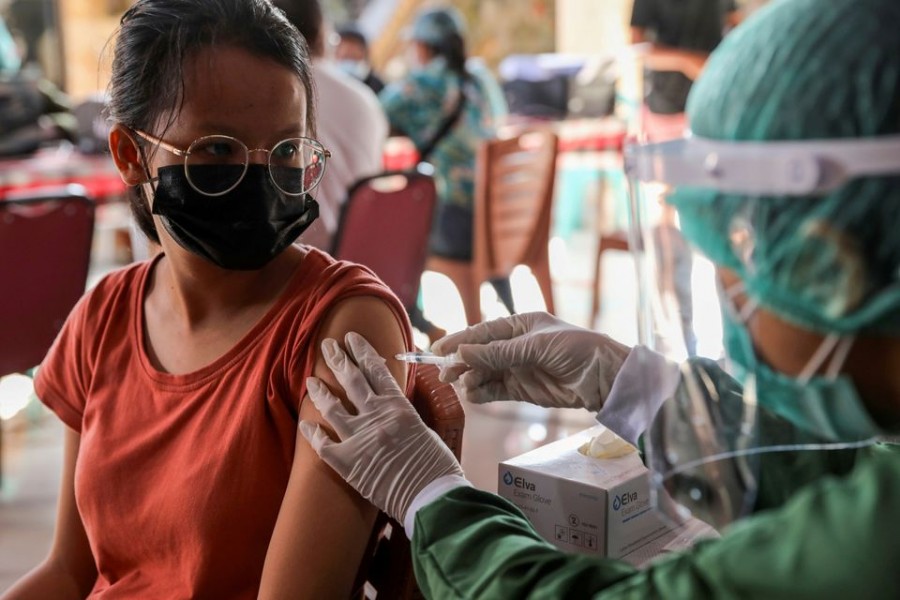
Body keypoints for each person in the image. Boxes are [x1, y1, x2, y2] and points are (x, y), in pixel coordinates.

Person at [297, 0, 900, 596]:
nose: (730, 294)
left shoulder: (873, 548)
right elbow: (846, 473)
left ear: (829, 269)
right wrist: (632, 387)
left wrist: (431, 497)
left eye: (737, 259)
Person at [2, 0, 412, 598]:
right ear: (129, 155)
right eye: (217, 151)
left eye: (284, 152)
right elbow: (71, 570)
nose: (256, 180)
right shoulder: (103, 317)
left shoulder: (341, 329)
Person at [379, 6, 513, 338]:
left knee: (387, 233)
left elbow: (373, 114)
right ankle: (424, 323)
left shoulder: (425, 81)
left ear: (423, 47)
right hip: (499, 222)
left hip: (459, 225)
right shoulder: (481, 78)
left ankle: (415, 326)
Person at [272, 0, 388, 253]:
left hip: (290, 259)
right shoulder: (365, 99)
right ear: (323, 33)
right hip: (360, 256)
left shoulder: (266, 91)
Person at [334, 23, 385, 95]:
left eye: (351, 46)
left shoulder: (376, 85)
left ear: (363, 52)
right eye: (341, 45)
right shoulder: (333, 77)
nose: (345, 50)